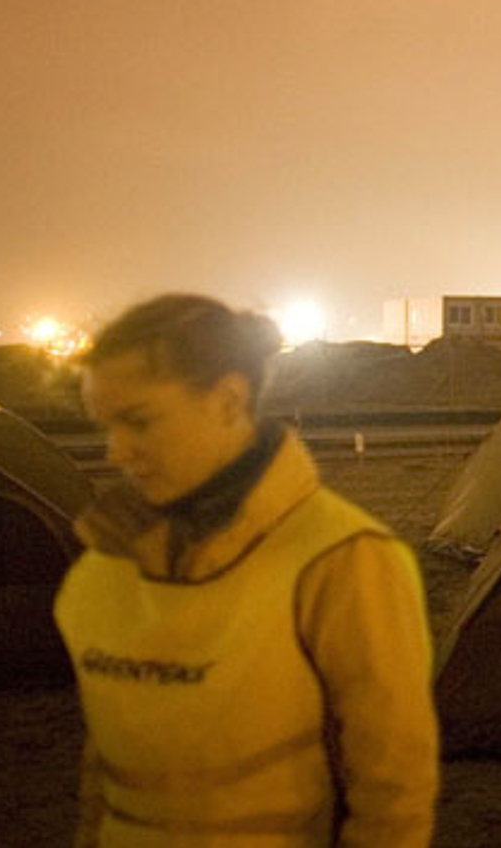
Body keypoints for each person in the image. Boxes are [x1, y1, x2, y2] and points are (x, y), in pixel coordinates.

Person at [54, 295, 438, 847]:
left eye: (138, 421)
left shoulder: (343, 561)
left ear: (229, 401)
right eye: (105, 425)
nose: (116, 451)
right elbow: (104, 773)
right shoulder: (103, 564)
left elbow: (393, 790)